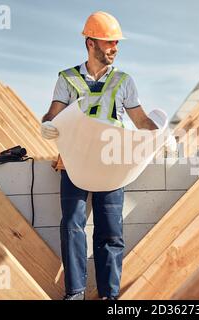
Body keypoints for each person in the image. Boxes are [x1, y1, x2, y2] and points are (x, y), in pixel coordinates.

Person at [40, 11, 161, 300]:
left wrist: (161, 135)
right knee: (72, 226)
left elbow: (141, 121)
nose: (114, 48)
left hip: (111, 164)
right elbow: (53, 115)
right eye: (109, 42)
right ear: (90, 43)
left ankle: (109, 295)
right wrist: (47, 125)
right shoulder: (67, 79)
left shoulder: (124, 81)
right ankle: (76, 293)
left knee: (110, 231)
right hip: (76, 162)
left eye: (117, 43)